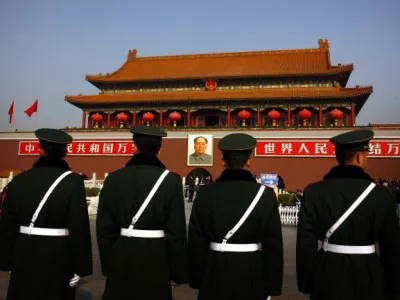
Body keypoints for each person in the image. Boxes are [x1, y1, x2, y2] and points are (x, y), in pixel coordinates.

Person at [296, 129, 400, 300]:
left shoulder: (314, 192)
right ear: (359, 157)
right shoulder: (382, 196)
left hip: (327, 272)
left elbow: (305, 244)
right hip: (369, 274)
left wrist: (307, 283)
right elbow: (392, 250)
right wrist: (394, 288)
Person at [188, 133, 283, 300]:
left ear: (223, 161)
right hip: (252, 270)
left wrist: (197, 279)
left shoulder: (205, 194)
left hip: (214, 269)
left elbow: (197, 241)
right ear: (249, 161)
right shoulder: (265, 195)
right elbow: (273, 245)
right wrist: (272, 285)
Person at [96, 125, 188, 300]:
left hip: (122, 253)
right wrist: (178, 272)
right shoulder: (171, 181)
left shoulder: (114, 178)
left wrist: (109, 264)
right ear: (160, 150)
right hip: (157, 256)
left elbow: (104, 228)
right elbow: (176, 233)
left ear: (134, 146)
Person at [0, 128, 93, 300]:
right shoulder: (72, 181)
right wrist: (82, 267)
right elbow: (79, 225)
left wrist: (6, 259)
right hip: (58, 253)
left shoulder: (19, 180)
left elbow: (7, 223)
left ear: (39, 149)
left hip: (24, 251)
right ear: (65, 152)